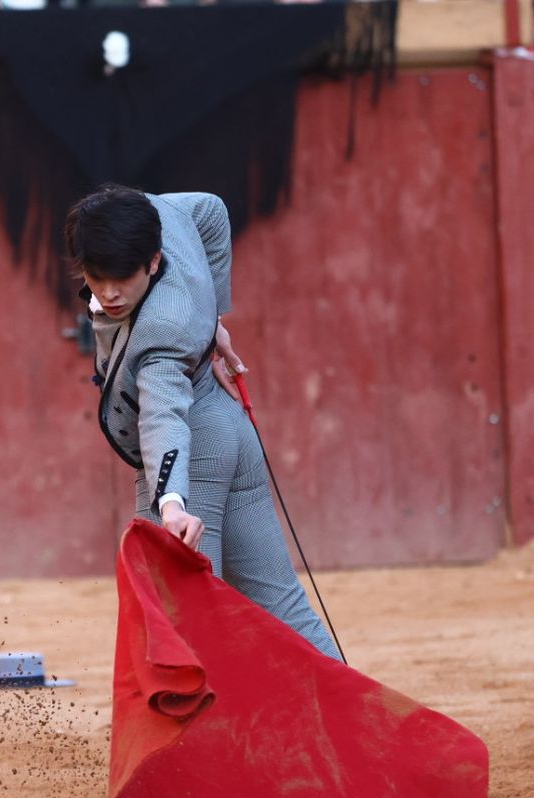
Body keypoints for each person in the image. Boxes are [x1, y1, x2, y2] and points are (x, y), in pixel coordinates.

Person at [64, 184, 342, 661]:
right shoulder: (159, 213)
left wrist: (171, 503)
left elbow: (163, 415)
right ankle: (351, 707)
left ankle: (205, 718)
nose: (108, 292)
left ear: (153, 262)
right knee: (281, 604)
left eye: (123, 277)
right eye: (96, 277)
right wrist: (211, 318)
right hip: (231, 430)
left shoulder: (162, 330)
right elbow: (212, 211)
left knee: (185, 623)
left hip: (193, 454)